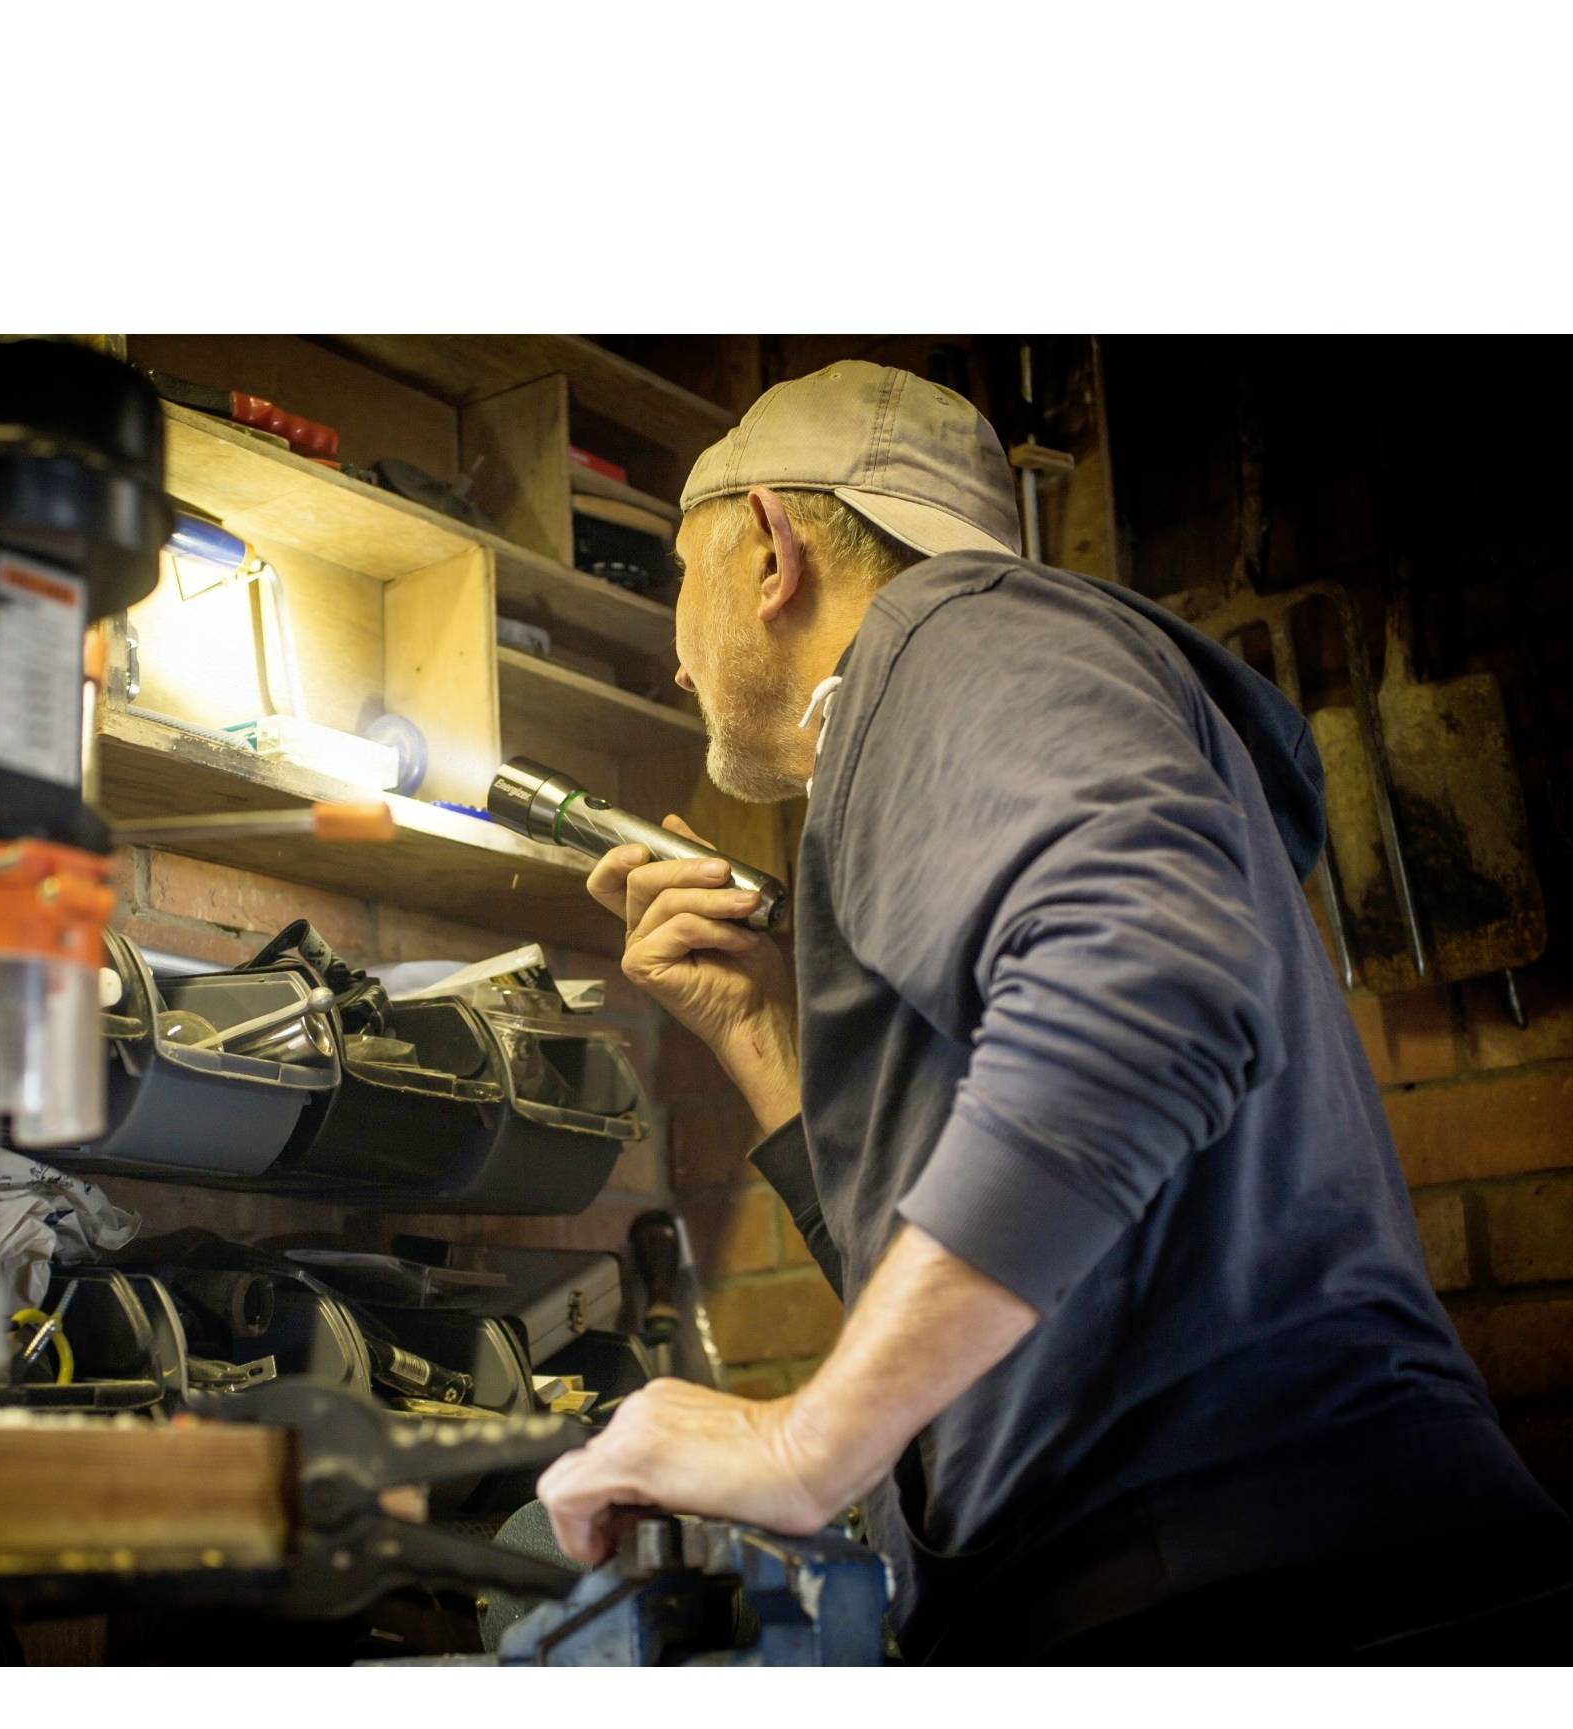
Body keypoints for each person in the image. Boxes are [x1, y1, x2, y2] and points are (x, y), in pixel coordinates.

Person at [535, 360, 1571, 1661]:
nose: (678, 669)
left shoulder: (948, 636)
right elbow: (997, 1277)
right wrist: (767, 1038)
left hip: (1257, 1602)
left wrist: (805, 1441)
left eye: (677, 584)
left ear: (767, 548)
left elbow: (1150, 975)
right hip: (1264, 1578)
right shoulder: (979, 690)